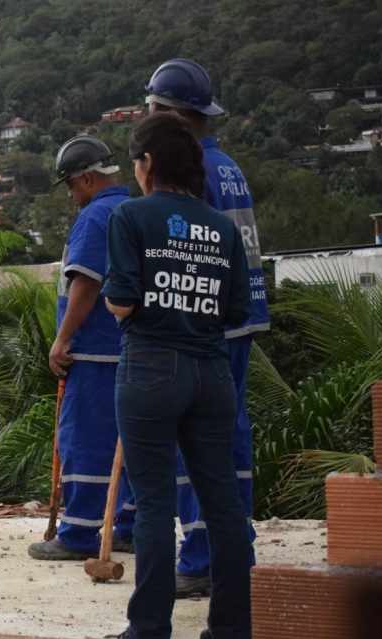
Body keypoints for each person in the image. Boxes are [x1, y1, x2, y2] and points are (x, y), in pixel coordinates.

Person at [101, 112, 253, 639]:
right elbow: (236, 311)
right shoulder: (223, 226)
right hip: (212, 374)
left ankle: (149, 629)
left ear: (146, 163)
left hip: (148, 368)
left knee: (154, 504)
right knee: (223, 505)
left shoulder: (130, 215)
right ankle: (233, 629)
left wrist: (146, 302)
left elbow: (120, 298)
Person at [145, 57, 269, 598]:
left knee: (194, 443)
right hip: (241, 318)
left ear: (172, 114)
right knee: (230, 436)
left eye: (151, 108)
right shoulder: (230, 166)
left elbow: (187, 254)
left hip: (204, 326)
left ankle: (201, 557)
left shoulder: (190, 173)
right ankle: (234, 548)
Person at [27, 135, 136, 561]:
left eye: (71, 186)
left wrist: (63, 338)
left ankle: (78, 535)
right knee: (125, 445)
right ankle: (125, 527)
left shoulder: (95, 216)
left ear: (87, 179)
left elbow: (86, 283)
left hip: (93, 352)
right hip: (127, 351)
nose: (71, 196)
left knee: (86, 442)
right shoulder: (131, 210)